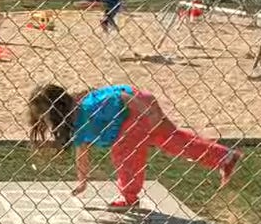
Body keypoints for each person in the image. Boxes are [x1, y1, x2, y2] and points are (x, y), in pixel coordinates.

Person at [27, 84, 241, 210]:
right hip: (138, 108)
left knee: (124, 152)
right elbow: (82, 151)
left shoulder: (86, 108)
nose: (45, 122)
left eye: (44, 116)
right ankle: (224, 156)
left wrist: (144, 111)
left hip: (135, 109)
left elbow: (118, 96)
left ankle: (128, 197)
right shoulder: (75, 123)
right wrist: (83, 182)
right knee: (173, 141)